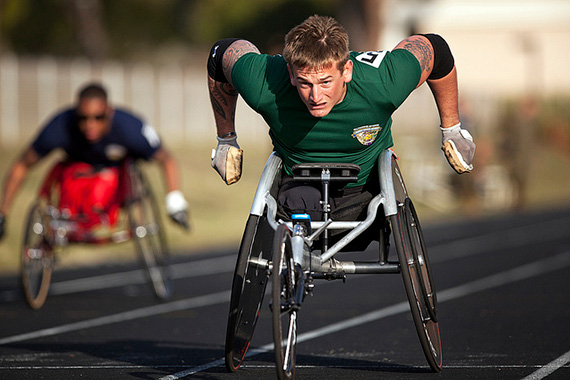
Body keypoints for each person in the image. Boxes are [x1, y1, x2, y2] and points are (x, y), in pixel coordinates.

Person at [208, 15, 475, 221]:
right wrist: (226, 139)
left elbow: (436, 50)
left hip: (368, 187)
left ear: (346, 70)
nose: (315, 95)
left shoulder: (382, 82)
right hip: (299, 185)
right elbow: (221, 54)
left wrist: (451, 129)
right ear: (290, 74)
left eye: (325, 82)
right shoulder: (266, 84)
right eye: (304, 83)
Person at [0, 82, 189, 240]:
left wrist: (175, 202)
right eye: (83, 118)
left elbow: (167, 160)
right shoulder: (60, 126)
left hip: (115, 180)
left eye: (98, 118)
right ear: (76, 114)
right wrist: (3, 213)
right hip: (75, 177)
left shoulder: (130, 128)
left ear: (109, 112)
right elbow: (22, 164)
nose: (90, 125)